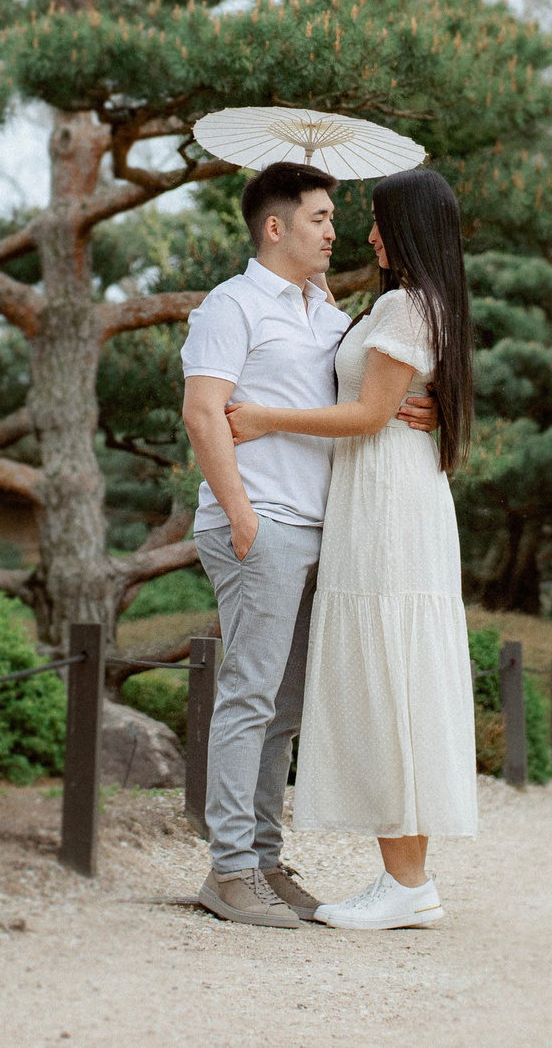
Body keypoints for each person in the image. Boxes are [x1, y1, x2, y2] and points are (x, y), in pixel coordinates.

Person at [179, 160, 436, 929]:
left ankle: (262, 859)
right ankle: (228, 870)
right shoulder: (231, 306)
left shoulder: (329, 316)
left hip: (323, 528)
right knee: (249, 694)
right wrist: (240, 513)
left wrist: (425, 410)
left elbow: (364, 400)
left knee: (285, 707)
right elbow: (203, 412)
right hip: (263, 522)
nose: (335, 232)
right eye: (320, 218)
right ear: (274, 226)